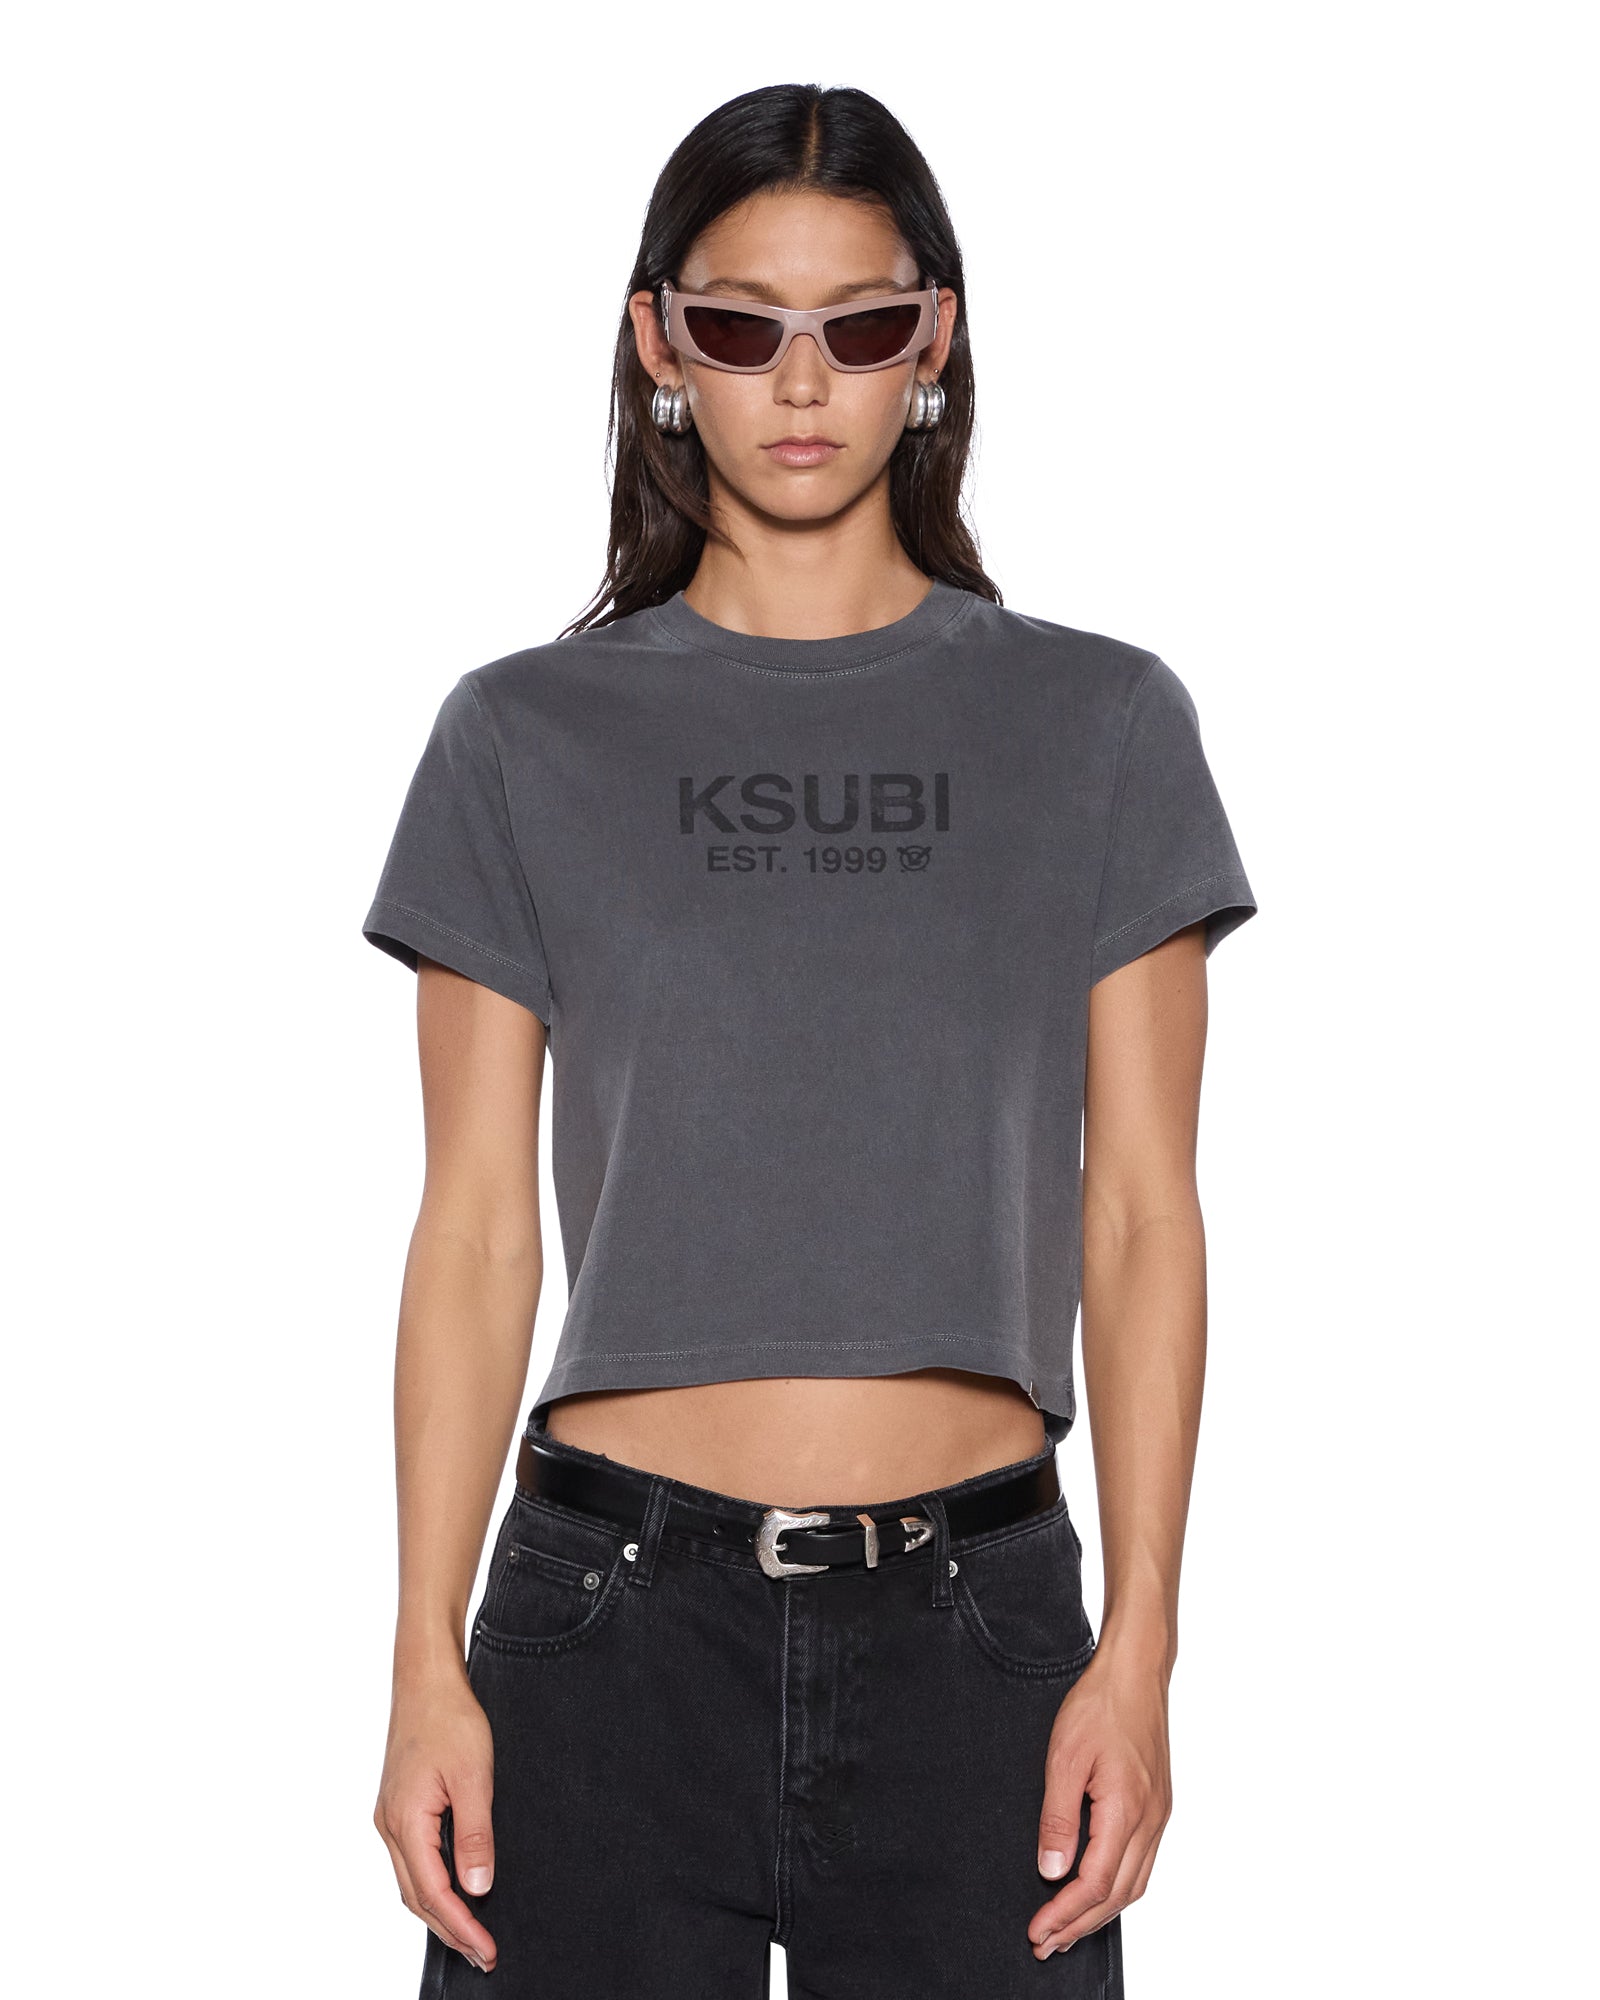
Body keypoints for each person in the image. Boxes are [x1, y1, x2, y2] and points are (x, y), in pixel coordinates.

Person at [363, 82, 1255, 2000]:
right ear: (657, 341)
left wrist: (1145, 1650)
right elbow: (477, 1233)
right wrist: (424, 1655)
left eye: (857, 327)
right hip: (602, 1629)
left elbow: (1140, 1218)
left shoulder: (1099, 726)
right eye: (739, 322)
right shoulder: (520, 737)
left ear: (933, 342)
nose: (798, 382)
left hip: (981, 1636)